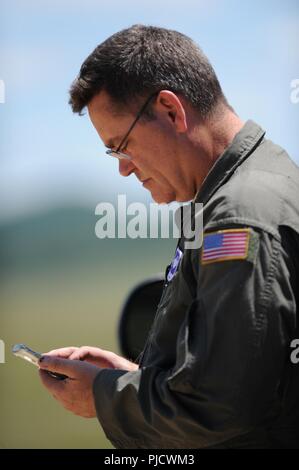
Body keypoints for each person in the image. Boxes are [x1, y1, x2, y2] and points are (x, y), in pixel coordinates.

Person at [38, 24, 299, 449]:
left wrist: (103, 396)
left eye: (121, 145)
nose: (123, 168)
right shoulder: (241, 190)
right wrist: (129, 377)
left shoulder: (239, 215)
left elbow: (220, 405)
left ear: (171, 111)